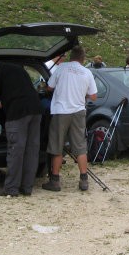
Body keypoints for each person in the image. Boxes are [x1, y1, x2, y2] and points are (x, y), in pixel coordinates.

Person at [42, 46, 98, 192]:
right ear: (83, 58)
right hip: (79, 111)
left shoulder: (61, 68)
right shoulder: (87, 72)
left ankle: (55, 181)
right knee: (80, 146)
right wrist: (81, 94)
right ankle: (84, 179)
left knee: (57, 146)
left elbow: (49, 87)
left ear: (71, 56)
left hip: (61, 111)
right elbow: (93, 96)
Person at [0, 63, 43, 197]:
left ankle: (11, 188)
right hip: (36, 109)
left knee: (16, 150)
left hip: (18, 113)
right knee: (31, 150)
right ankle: (27, 187)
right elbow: (7, 99)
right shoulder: (19, 70)